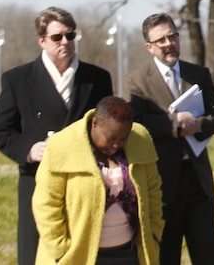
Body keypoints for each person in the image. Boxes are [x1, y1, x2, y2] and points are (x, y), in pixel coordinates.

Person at [0, 6, 113, 265]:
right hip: (38, 181)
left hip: (84, 182)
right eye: (57, 37)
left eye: (70, 36)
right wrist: (29, 150)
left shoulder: (97, 78)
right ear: (42, 41)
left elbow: (107, 130)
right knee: (37, 254)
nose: (65, 42)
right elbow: (0, 131)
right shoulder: (17, 79)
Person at [126, 13, 214, 265]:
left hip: (198, 182)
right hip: (162, 183)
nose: (168, 43)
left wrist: (198, 125)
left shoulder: (199, 74)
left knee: (209, 254)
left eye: (172, 36)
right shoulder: (136, 81)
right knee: (165, 256)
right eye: (160, 40)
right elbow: (137, 124)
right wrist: (175, 126)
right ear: (149, 47)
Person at [32, 96, 163, 265]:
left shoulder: (140, 139)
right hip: (77, 256)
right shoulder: (62, 145)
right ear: (95, 123)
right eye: (111, 138)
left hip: (129, 254)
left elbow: (153, 189)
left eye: (123, 139)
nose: (117, 144)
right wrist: (60, 248)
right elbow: (46, 203)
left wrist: (154, 231)